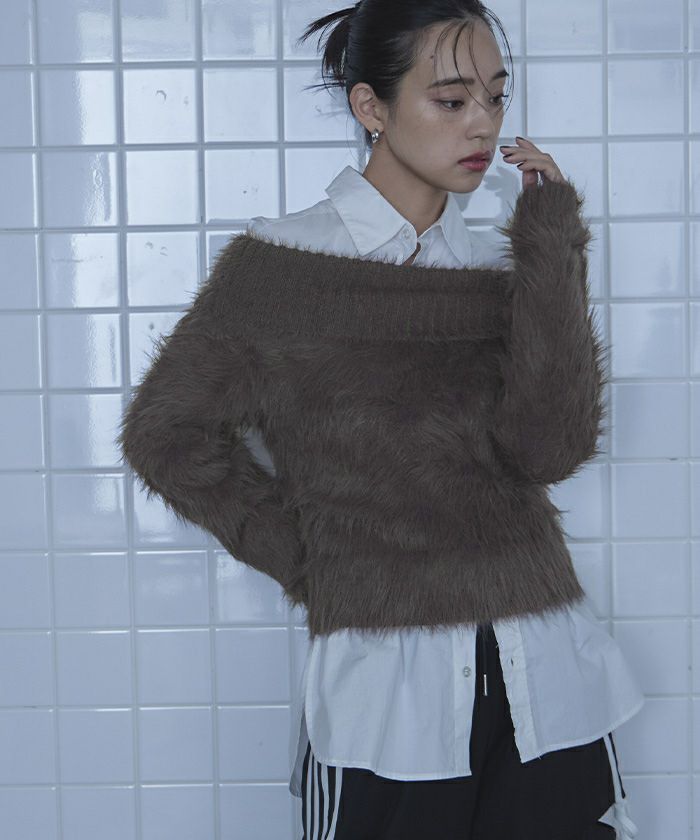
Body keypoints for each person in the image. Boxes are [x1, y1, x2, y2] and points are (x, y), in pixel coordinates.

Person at [117, 2, 644, 838]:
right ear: (372, 107)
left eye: (496, 97)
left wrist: (550, 249)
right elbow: (165, 436)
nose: (483, 123)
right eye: (452, 99)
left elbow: (550, 449)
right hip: (388, 701)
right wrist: (314, 561)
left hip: (543, 677)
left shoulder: (496, 264)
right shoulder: (282, 269)